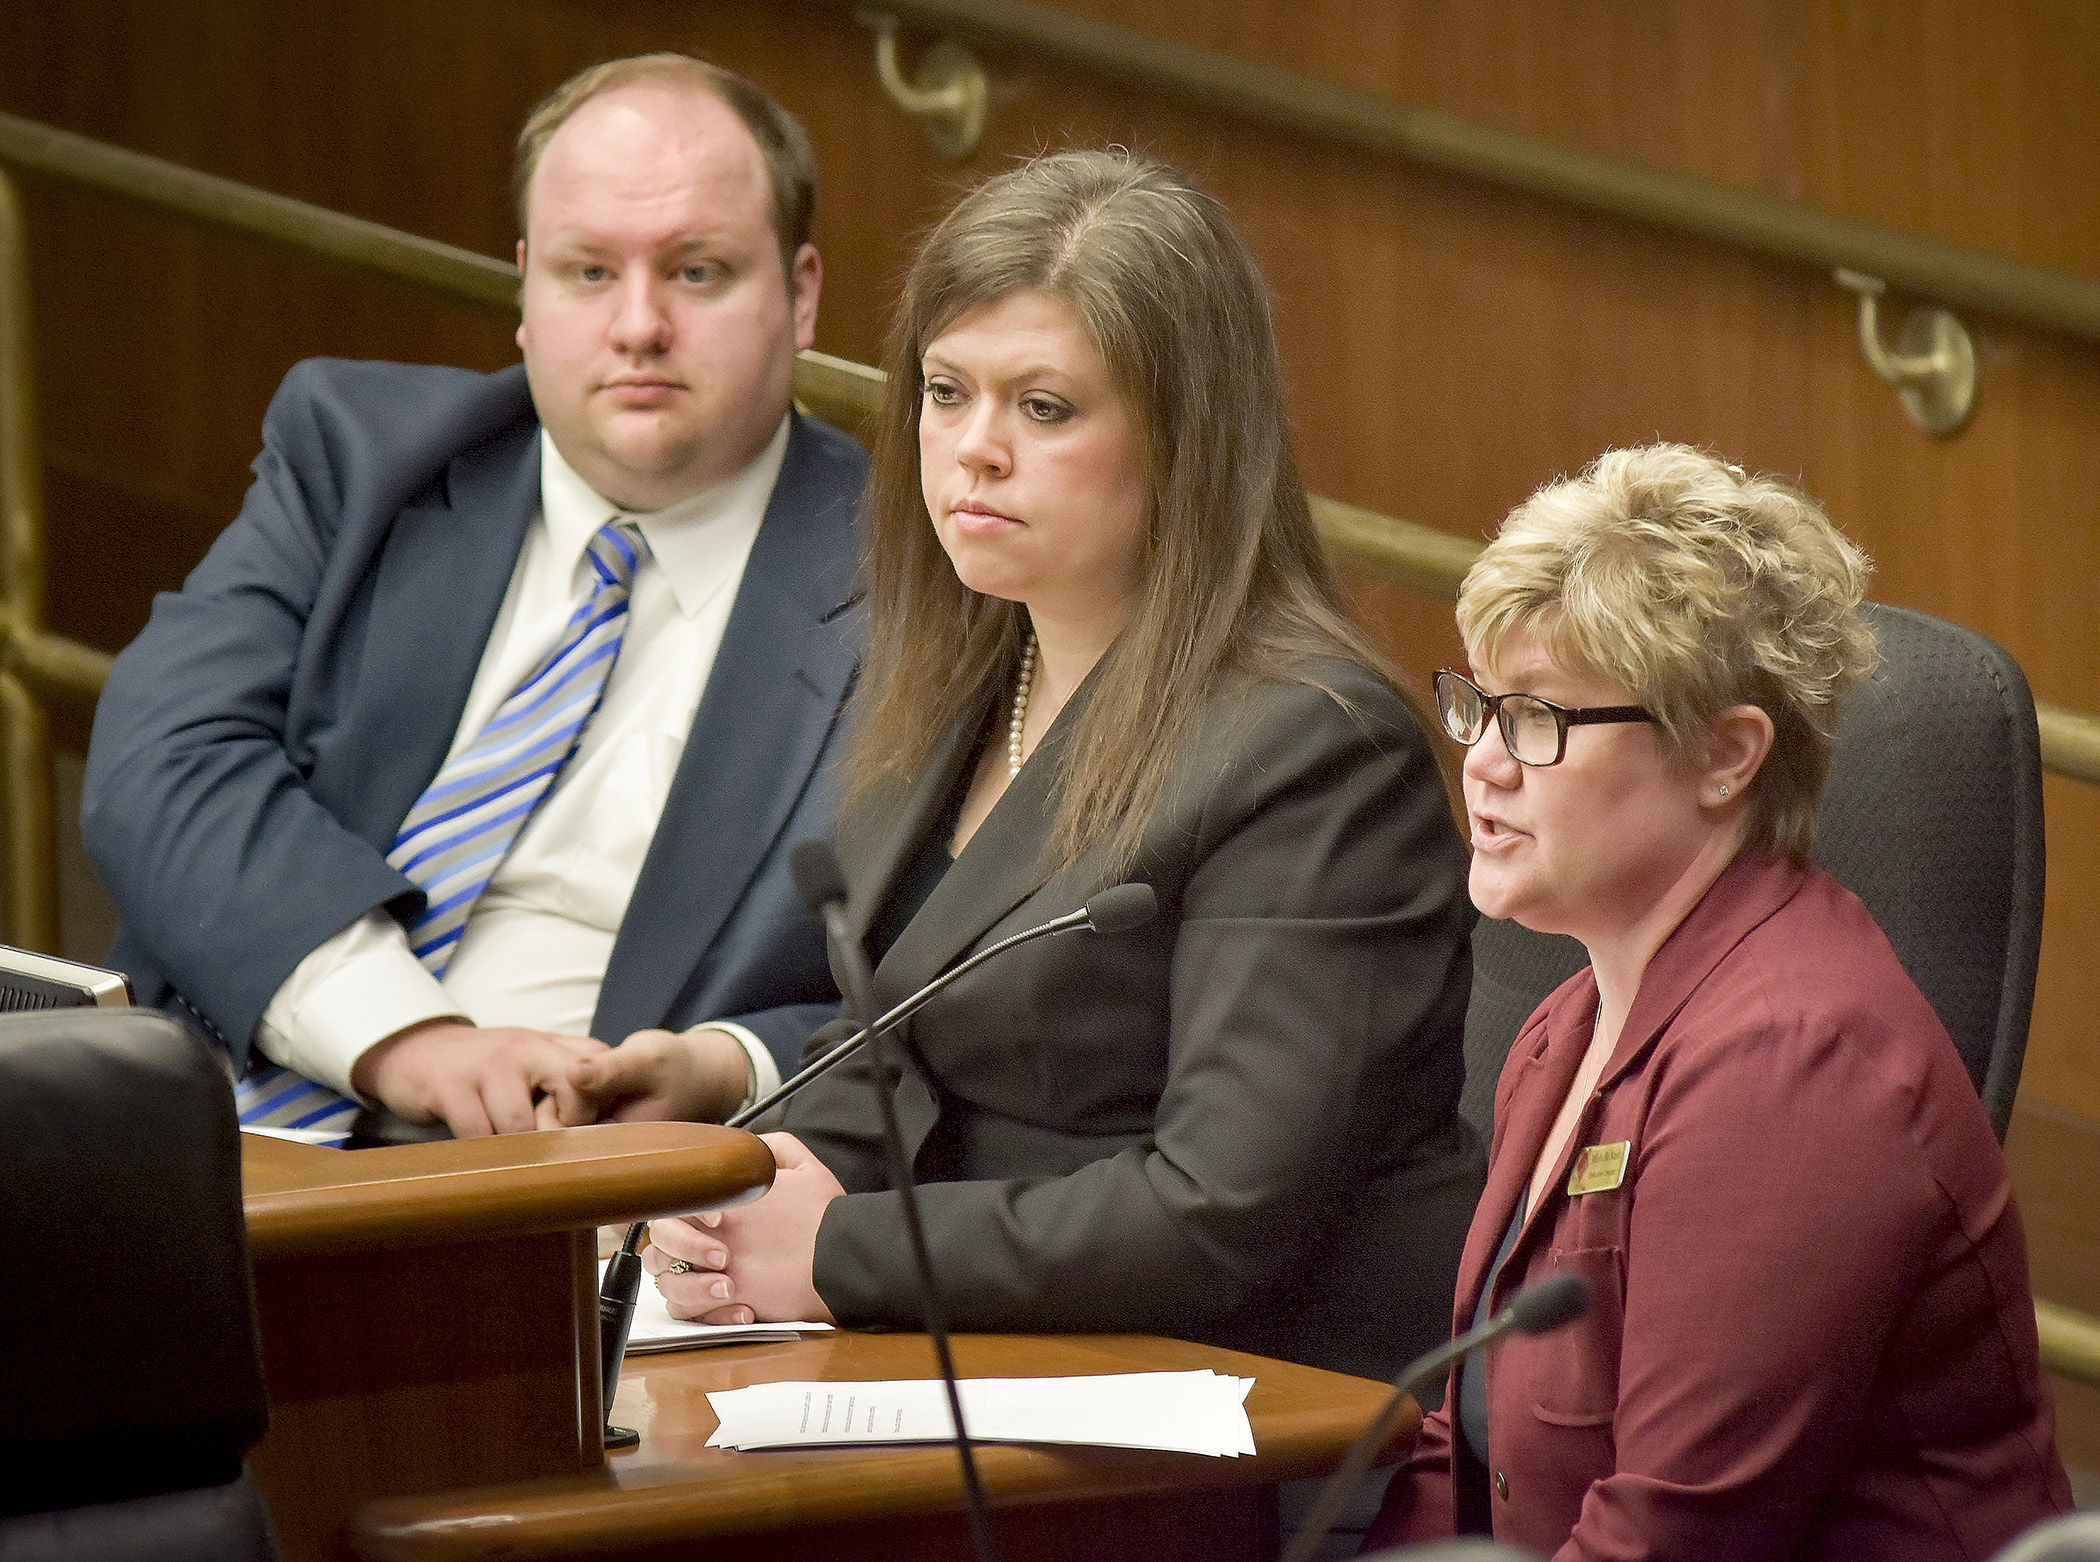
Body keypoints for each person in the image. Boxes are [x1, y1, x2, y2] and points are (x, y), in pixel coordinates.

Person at [616, 148, 1482, 1384]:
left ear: (1185, 438)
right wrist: (721, 1201)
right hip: (979, 1344)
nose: (973, 450)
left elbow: (1217, 1210)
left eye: (1044, 407)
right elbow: (898, 1054)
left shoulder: (1313, 745)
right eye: (947, 391)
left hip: (1234, 1400)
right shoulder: (960, 670)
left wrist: (839, 1247)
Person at [81, 54, 866, 1142]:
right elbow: (160, 758)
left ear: (803, 292)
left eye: (697, 272)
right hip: (189, 1126)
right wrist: (405, 1038)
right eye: (589, 272)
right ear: (525, 291)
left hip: (551, 1210)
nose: (639, 324)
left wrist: (730, 1068)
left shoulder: (905, 580)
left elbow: (943, 981)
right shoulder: (358, 454)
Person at [1368, 445, 2070, 1559]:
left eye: (1541, 718)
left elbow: (1675, 1534)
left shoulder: (1794, 1066)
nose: (1486, 762)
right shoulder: (1566, 1029)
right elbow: (1466, 1446)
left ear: (1727, 755)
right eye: (1479, 703)